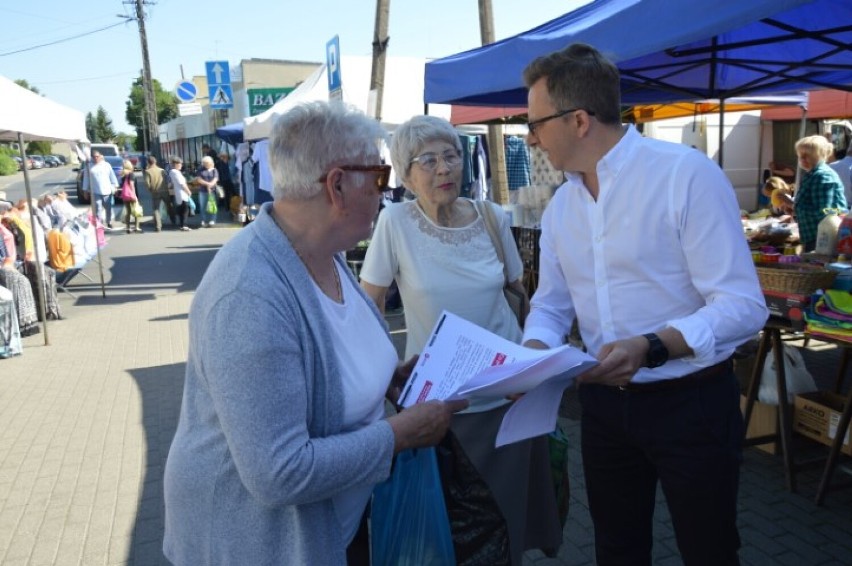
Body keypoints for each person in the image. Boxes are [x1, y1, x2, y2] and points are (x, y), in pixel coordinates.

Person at [162, 101, 467, 566]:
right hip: (262, 546)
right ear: (338, 185)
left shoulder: (326, 251)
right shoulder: (249, 294)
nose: (385, 194)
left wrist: (385, 377)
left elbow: (331, 359)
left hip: (335, 527)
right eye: (379, 177)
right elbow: (278, 473)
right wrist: (399, 435)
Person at [521, 43, 768, 565]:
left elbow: (743, 306)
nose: (531, 137)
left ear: (580, 120)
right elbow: (550, 304)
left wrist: (652, 346)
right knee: (617, 549)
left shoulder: (685, 175)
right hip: (605, 410)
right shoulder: (562, 204)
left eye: (536, 123)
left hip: (692, 404)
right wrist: (536, 355)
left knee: (709, 549)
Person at [359, 114, 561, 565]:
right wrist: (378, 377)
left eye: (450, 155)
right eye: (427, 160)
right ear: (406, 174)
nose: (444, 169)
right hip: (444, 406)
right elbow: (368, 308)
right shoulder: (395, 223)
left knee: (509, 521)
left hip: (508, 396)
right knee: (456, 532)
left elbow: (520, 293)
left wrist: (535, 362)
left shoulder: (490, 216)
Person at [788, 135, 848, 251]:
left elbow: (825, 213)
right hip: (816, 236)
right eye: (800, 156)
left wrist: (794, 206)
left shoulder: (822, 176)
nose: (802, 159)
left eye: (807, 155)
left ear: (820, 155)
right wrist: (794, 209)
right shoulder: (812, 174)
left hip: (822, 238)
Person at [82, 151, 118, 229]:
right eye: (94, 157)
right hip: (95, 191)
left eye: (97, 156)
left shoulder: (106, 165)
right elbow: (86, 179)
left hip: (106, 190)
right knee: (98, 207)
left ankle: (109, 221)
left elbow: (112, 176)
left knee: (108, 207)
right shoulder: (89, 166)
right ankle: (99, 223)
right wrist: (85, 190)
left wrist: (115, 186)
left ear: (101, 156)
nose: (96, 158)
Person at [144, 156, 174, 232]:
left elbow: (147, 184)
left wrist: (150, 190)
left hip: (155, 192)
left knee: (156, 209)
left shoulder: (148, 171)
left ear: (148, 162)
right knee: (169, 205)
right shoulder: (162, 170)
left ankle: (158, 226)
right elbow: (167, 180)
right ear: (155, 162)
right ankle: (173, 220)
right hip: (164, 191)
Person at [168, 157, 192, 231]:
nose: (181, 165)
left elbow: (172, 183)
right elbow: (182, 184)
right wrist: (188, 191)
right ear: (176, 164)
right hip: (182, 193)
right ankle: (184, 225)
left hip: (179, 193)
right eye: (180, 163)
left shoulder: (172, 172)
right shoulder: (175, 172)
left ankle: (182, 225)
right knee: (185, 210)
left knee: (181, 209)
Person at [195, 155, 219, 227]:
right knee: (203, 206)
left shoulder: (214, 170)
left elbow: (216, 179)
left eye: (207, 163)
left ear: (211, 163)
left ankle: (212, 220)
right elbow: (199, 179)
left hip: (212, 191)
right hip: (203, 191)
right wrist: (208, 184)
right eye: (205, 163)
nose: (206, 165)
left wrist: (211, 185)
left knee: (213, 205)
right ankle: (203, 220)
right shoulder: (200, 169)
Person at [118, 160, 141, 234]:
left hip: (125, 195)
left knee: (128, 212)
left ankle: (128, 227)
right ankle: (136, 227)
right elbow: (131, 185)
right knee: (136, 210)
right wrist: (134, 195)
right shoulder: (131, 174)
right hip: (131, 195)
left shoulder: (122, 175)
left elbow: (121, 186)